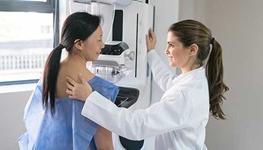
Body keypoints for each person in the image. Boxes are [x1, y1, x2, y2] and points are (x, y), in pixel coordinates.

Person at [66, 19, 229, 150]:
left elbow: (136, 126)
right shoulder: (194, 80)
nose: (166, 50)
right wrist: (151, 53)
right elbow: (169, 82)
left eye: (171, 45)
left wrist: (89, 98)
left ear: (192, 50)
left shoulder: (185, 94)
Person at [18, 12, 119, 150]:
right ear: (79, 44)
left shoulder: (48, 75)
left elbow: (33, 119)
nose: (102, 45)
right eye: (99, 39)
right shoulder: (102, 90)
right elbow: (105, 146)